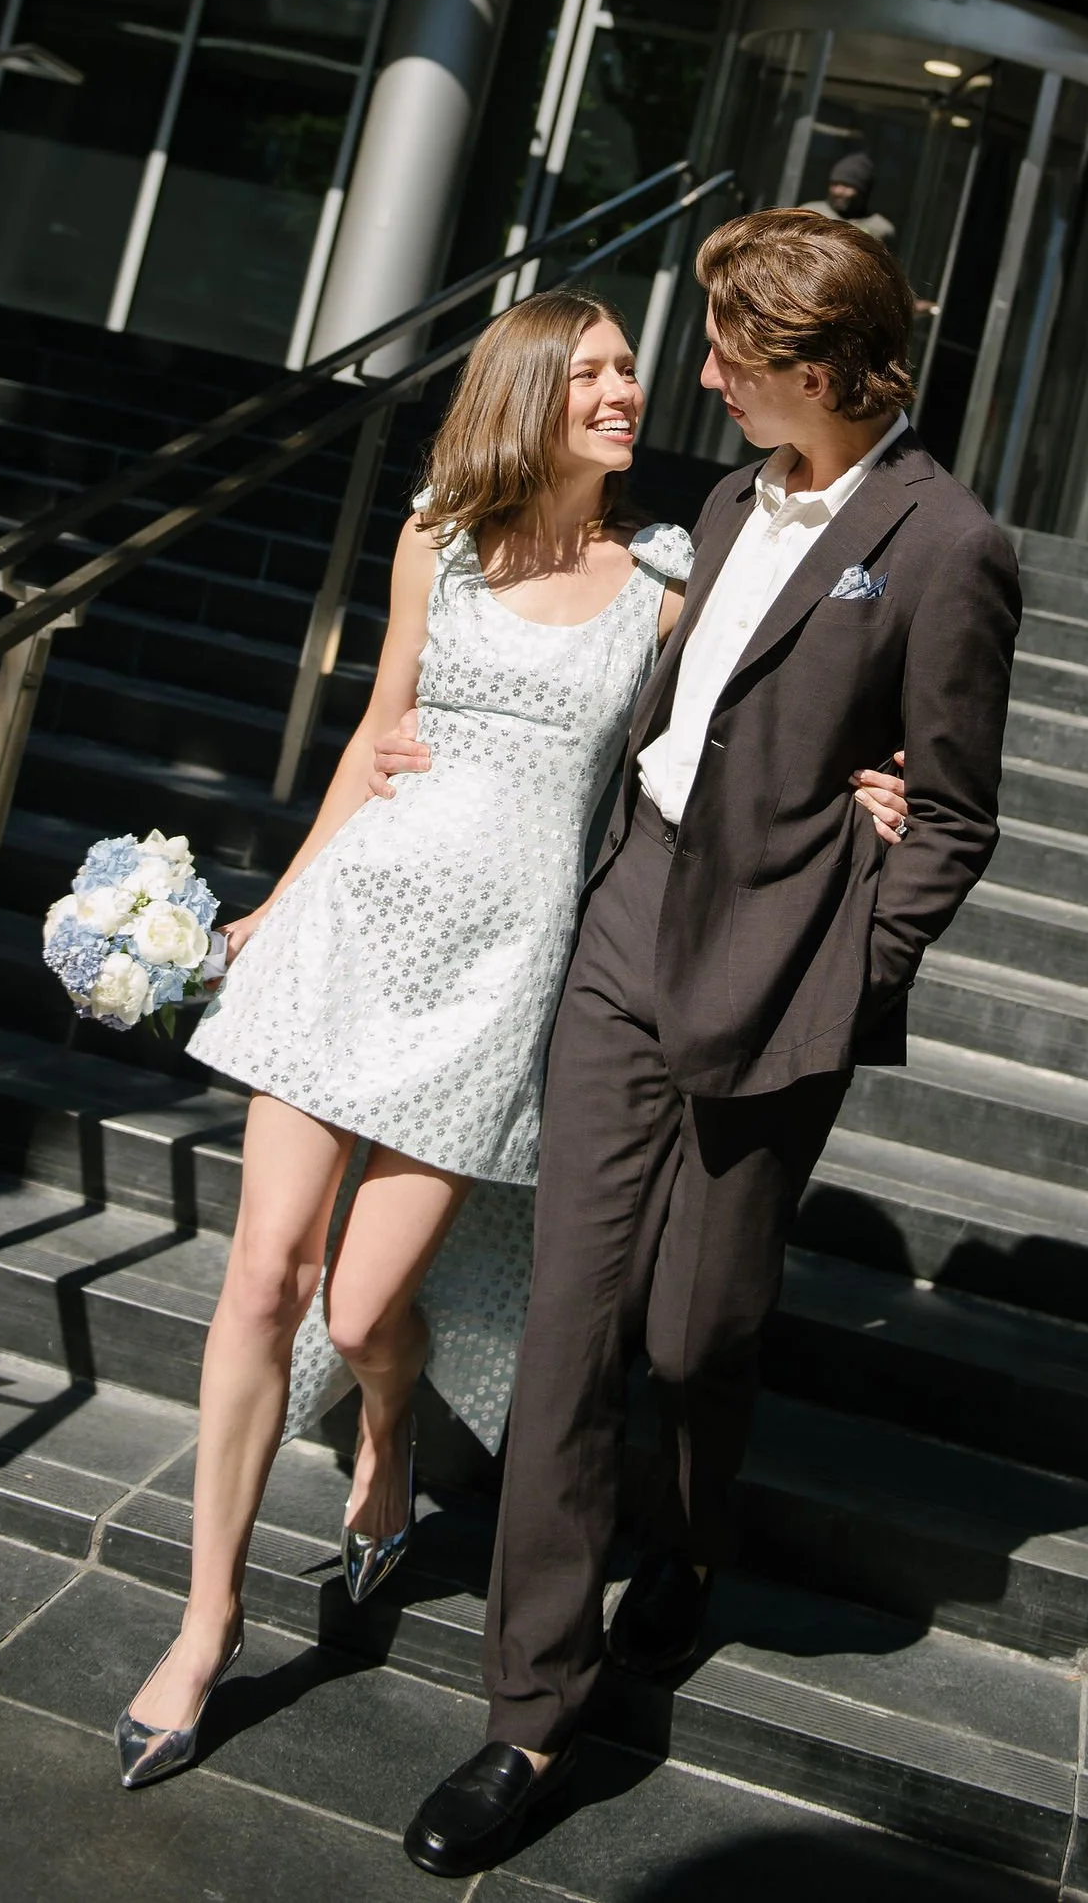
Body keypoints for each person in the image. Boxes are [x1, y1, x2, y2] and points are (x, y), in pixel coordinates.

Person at [107, 282, 918, 1790]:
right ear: (531, 390)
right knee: (264, 1277)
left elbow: (765, 709)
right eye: (595, 371)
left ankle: (387, 1438)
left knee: (361, 1314)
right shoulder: (436, 538)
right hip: (353, 928)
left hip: (497, 982)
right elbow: (377, 732)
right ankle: (206, 1622)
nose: (628, 392)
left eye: (630, 371)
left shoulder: (668, 578)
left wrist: (876, 784)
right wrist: (272, 908)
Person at [403, 211, 1023, 1878]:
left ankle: (685, 1535)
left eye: (732, 349)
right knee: (570, 1323)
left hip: (781, 968)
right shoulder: (736, 499)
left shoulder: (947, 540)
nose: (704, 373)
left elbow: (955, 812)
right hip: (630, 923)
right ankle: (532, 1710)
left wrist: (853, 960)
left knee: (697, 1330)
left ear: (815, 362)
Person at [804, 145, 896, 244]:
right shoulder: (810, 214)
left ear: (863, 191)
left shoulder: (880, 228)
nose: (838, 191)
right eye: (835, 184)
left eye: (846, 186)